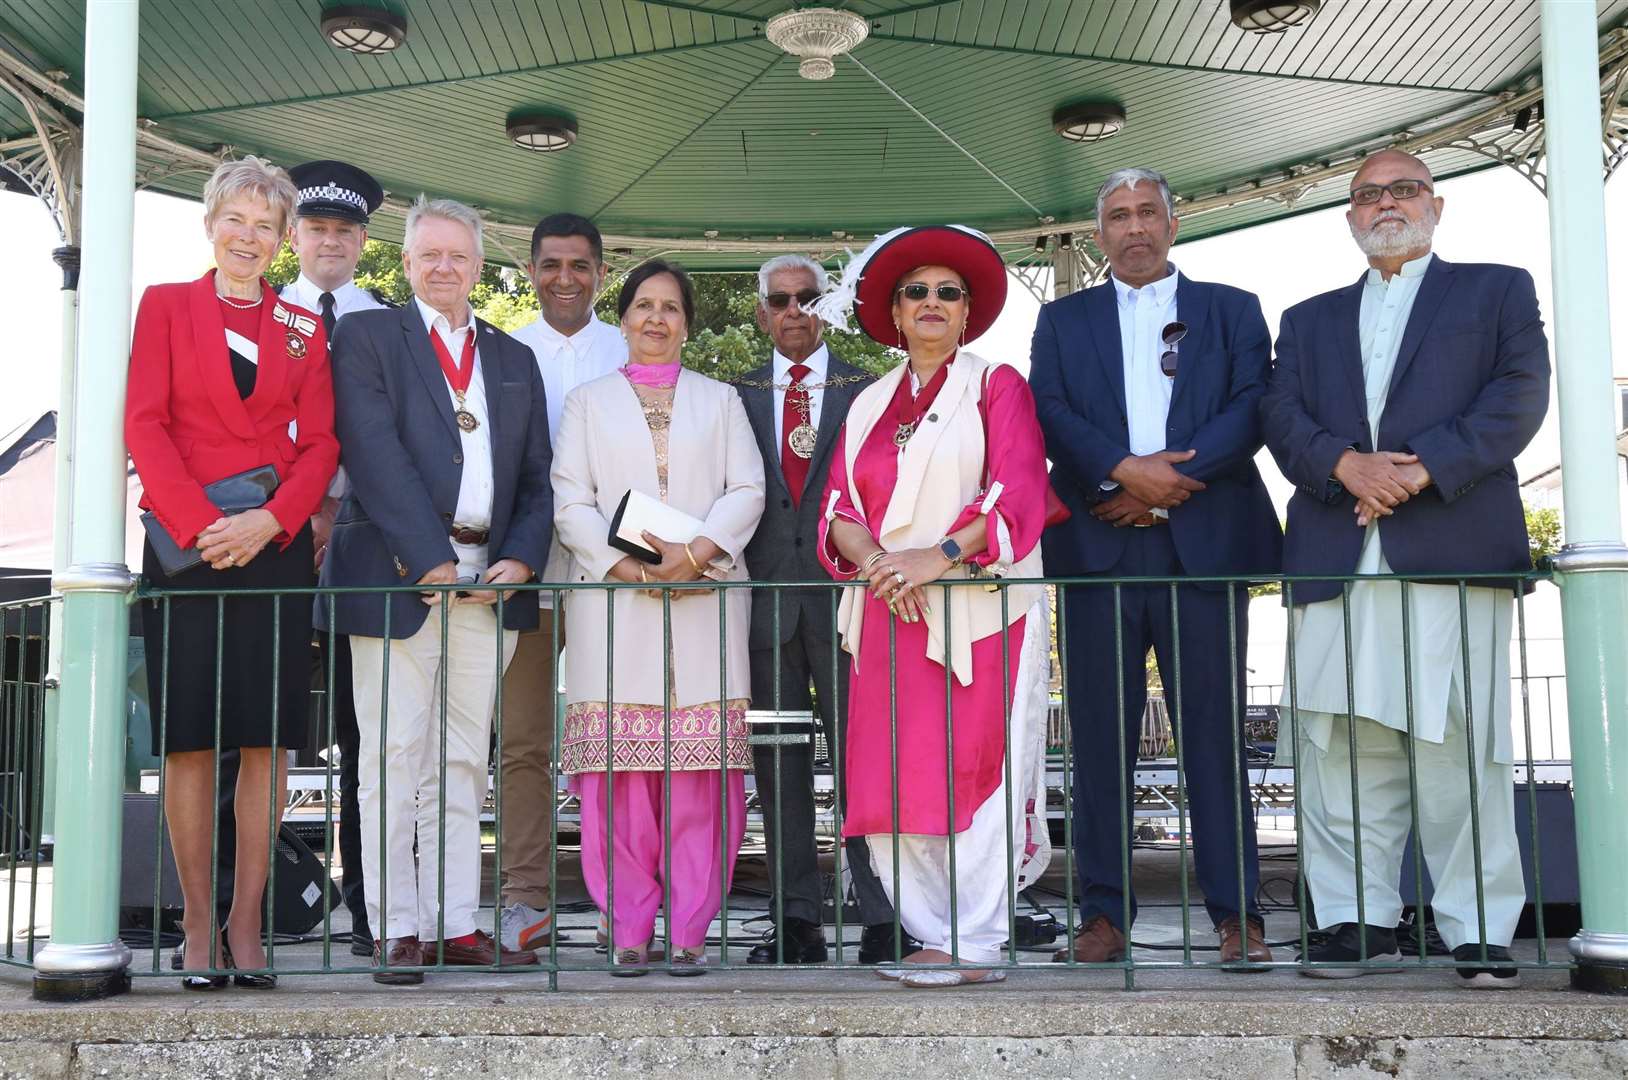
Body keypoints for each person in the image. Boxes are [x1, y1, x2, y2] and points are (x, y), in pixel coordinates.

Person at [1261, 149, 1549, 987]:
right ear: (1349, 215)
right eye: (1368, 194)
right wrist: (1345, 465)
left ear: (1436, 203)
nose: (1386, 203)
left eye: (1403, 189)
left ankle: (1479, 928)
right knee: (1341, 744)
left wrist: (1417, 470)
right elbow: (1280, 415)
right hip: (1335, 554)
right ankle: (1355, 920)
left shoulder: (1496, 289)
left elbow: (1520, 392)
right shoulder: (1307, 317)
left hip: (1450, 548)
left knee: (1462, 745)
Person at [1030, 166, 1281, 968]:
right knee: (1099, 741)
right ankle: (1103, 913)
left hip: (1200, 542)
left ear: (1174, 225)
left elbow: (1252, 405)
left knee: (1214, 735)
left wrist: (1169, 485)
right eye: (1117, 216)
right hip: (1101, 545)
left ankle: (1238, 915)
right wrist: (1124, 474)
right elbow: (1052, 413)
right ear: (1099, 233)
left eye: (1148, 213)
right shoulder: (1063, 321)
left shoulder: (1232, 309)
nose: (1134, 228)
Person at [318, 195, 553, 984]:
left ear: (478, 267)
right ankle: (394, 925)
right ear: (407, 262)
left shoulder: (513, 358)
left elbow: (535, 477)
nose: (444, 267)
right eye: (430, 256)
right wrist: (432, 562)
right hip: (398, 578)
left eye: (459, 256)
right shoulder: (369, 336)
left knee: (463, 761)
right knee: (390, 757)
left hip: (490, 584)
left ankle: (454, 920)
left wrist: (520, 558)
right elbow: (372, 451)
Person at [813, 225, 1053, 988]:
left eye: (949, 292)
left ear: (967, 309)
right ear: (892, 308)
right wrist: (881, 563)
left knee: (975, 772)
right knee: (896, 777)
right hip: (887, 608)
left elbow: (1018, 494)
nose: (932, 302)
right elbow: (837, 509)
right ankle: (930, 931)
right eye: (917, 290)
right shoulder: (866, 403)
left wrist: (936, 557)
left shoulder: (995, 384)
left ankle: (977, 938)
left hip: (977, 609)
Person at [125, 156, 339, 990]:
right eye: (236, 220)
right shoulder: (166, 307)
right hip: (187, 548)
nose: (248, 237)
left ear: (283, 239)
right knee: (189, 741)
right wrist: (201, 524)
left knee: (265, 742)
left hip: (272, 550)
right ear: (210, 224)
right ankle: (196, 925)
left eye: (265, 225)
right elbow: (143, 422)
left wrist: (271, 521)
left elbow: (321, 444)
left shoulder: (301, 327)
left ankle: (247, 922)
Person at [552, 259, 766, 976]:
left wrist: (696, 552)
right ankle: (628, 929)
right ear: (622, 320)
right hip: (618, 605)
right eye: (643, 305)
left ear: (687, 324)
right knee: (621, 785)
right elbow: (572, 502)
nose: (655, 319)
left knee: (699, 783)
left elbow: (747, 488)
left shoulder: (721, 401)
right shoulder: (587, 403)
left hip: (705, 600)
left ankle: (691, 931)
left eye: (670, 308)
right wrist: (633, 568)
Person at [734, 254, 912, 967]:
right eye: (780, 300)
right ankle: (796, 919)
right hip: (767, 612)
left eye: (808, 298)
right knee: (778, 769)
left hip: (851, 609)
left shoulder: (867, 391)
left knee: (865, 764)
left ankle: (882, 913)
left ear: (824, 306)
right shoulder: (735, 395)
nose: (794, 310)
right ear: (761, 313)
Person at [498, 213, 626, 953]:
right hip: (526, 567)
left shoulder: (628, 346)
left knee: (619, 735)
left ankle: (624, 900)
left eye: (580, 264)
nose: (565, 278)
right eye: (551, 264)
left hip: (613, 572)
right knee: (523, 739)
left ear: (600, 273)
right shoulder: (503, 352)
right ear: (532, 270)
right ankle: (523, 897)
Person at [278, 158, 392, 958]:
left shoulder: (383, 321)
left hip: (354, 540)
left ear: (362, 241)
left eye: (344, 232)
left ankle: (366, 904)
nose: (330, 243)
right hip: (270, 542)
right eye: (316, 229)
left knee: (360, 735)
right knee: (257, 730)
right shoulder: (258, 309)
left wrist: (330, 511)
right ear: (295, 235)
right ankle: (235, 904)